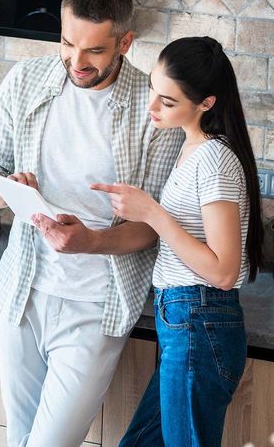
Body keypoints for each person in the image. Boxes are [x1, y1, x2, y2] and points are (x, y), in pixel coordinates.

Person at [0, 0, 185, 445]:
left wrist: (90, 242)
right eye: (67, 43)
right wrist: (8, 186)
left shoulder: (155, 109)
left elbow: (152, 227)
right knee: (19, 438)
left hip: (95, 304)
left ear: (125, 43)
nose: (76, 61)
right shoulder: (26, 80)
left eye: (94, 51)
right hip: (21, 293)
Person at [91, 36, 264, 446]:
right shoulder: (191, 147)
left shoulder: (215, 160)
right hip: (186, 322)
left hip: (199, 320)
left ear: (206, 103)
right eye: (154, 88)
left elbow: (223, 271)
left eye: (167, 102)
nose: (153, 106)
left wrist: (152, 212)